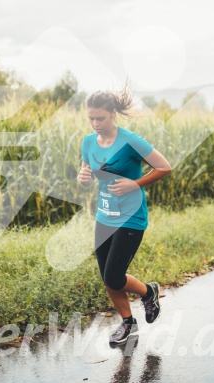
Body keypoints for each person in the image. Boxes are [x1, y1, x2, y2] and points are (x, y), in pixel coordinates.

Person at [77, 83, 172, 345]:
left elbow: (164, 167)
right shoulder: (88, 142)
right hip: (104, 217)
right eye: (91, 118)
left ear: (113, 114)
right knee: (107, 276)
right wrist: (82, 176)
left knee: (113, 276)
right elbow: (87, 175)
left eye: (101, 118)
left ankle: (148, 291)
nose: (95, 123)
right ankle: (128, 323)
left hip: (131, 217)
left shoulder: (130, 141)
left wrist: (135, 183)